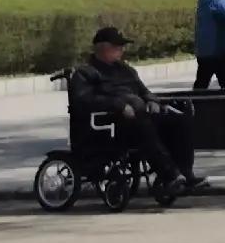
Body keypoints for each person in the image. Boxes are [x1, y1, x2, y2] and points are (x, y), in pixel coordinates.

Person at [72, 26, 203, 192]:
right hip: (112, 122)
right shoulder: (86, 73)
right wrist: (119, 105)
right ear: (103, 48)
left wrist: (152, 101)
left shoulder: (126, 70)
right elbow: (85, 100)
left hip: (139, 114)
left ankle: (186, 173)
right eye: (117, 47)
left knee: (179, 121)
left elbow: (143, 90)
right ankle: (170, 174)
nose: (122, 50)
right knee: (143, 126)